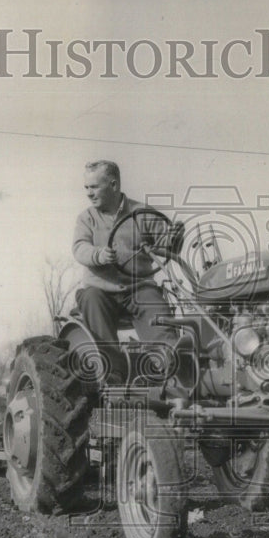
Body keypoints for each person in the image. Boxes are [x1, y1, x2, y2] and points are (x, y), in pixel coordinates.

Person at [72, 160, 182, 385]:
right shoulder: (87, 218)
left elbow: (166, 244)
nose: (89, 194)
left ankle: (171, 368)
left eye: (94, 187)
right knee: (91, 298)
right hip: (102, 291)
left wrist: (174, 237)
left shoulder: (141, 213)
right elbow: (79, 248)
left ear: (113, 185)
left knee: (156, 307)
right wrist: (98, 255)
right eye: (86, 188)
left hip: (138, 288)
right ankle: (112, 373)